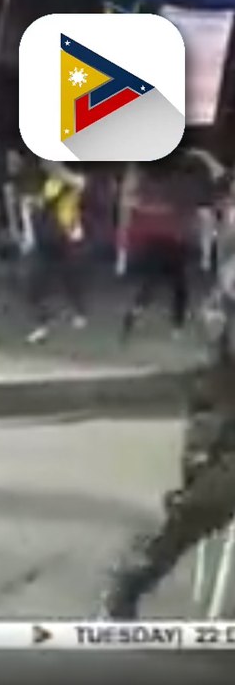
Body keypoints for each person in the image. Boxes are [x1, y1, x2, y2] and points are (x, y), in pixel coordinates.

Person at [102, 233, 235, 619]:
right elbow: (214, 400)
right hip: (223, 428)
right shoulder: (224, 316)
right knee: (212, 493)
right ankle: (134, 576)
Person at [119, 157, 196, 342]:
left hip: (161, 240)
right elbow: (133, 203)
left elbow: (133, 203)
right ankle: (175, 324)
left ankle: (136, 313)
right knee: (176, 285)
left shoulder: (151, 184)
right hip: (169, 240)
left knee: (157, 284)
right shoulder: (169, 185)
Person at [22, 161, 89, 344]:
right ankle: (42, 325)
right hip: (47, 237)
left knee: (69, 277)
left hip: (65, 236)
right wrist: (33, 204)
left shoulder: (73, 179)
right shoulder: (50, 183)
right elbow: (41, 203)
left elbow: (79, 183)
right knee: (35, 283)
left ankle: (79, 312)